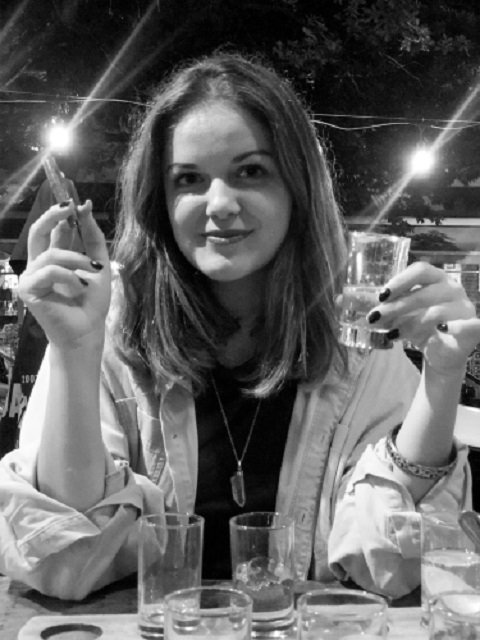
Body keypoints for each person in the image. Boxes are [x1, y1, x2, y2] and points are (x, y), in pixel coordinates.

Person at [0, 52, 479, 601]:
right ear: (162, 200)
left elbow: (389, 562)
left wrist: (443, 376)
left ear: (297, 188)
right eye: (189, 179)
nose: (220, 204)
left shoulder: (353, 338)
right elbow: (65, 560)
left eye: (251, 171)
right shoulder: (113, 323)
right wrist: (74, 348)